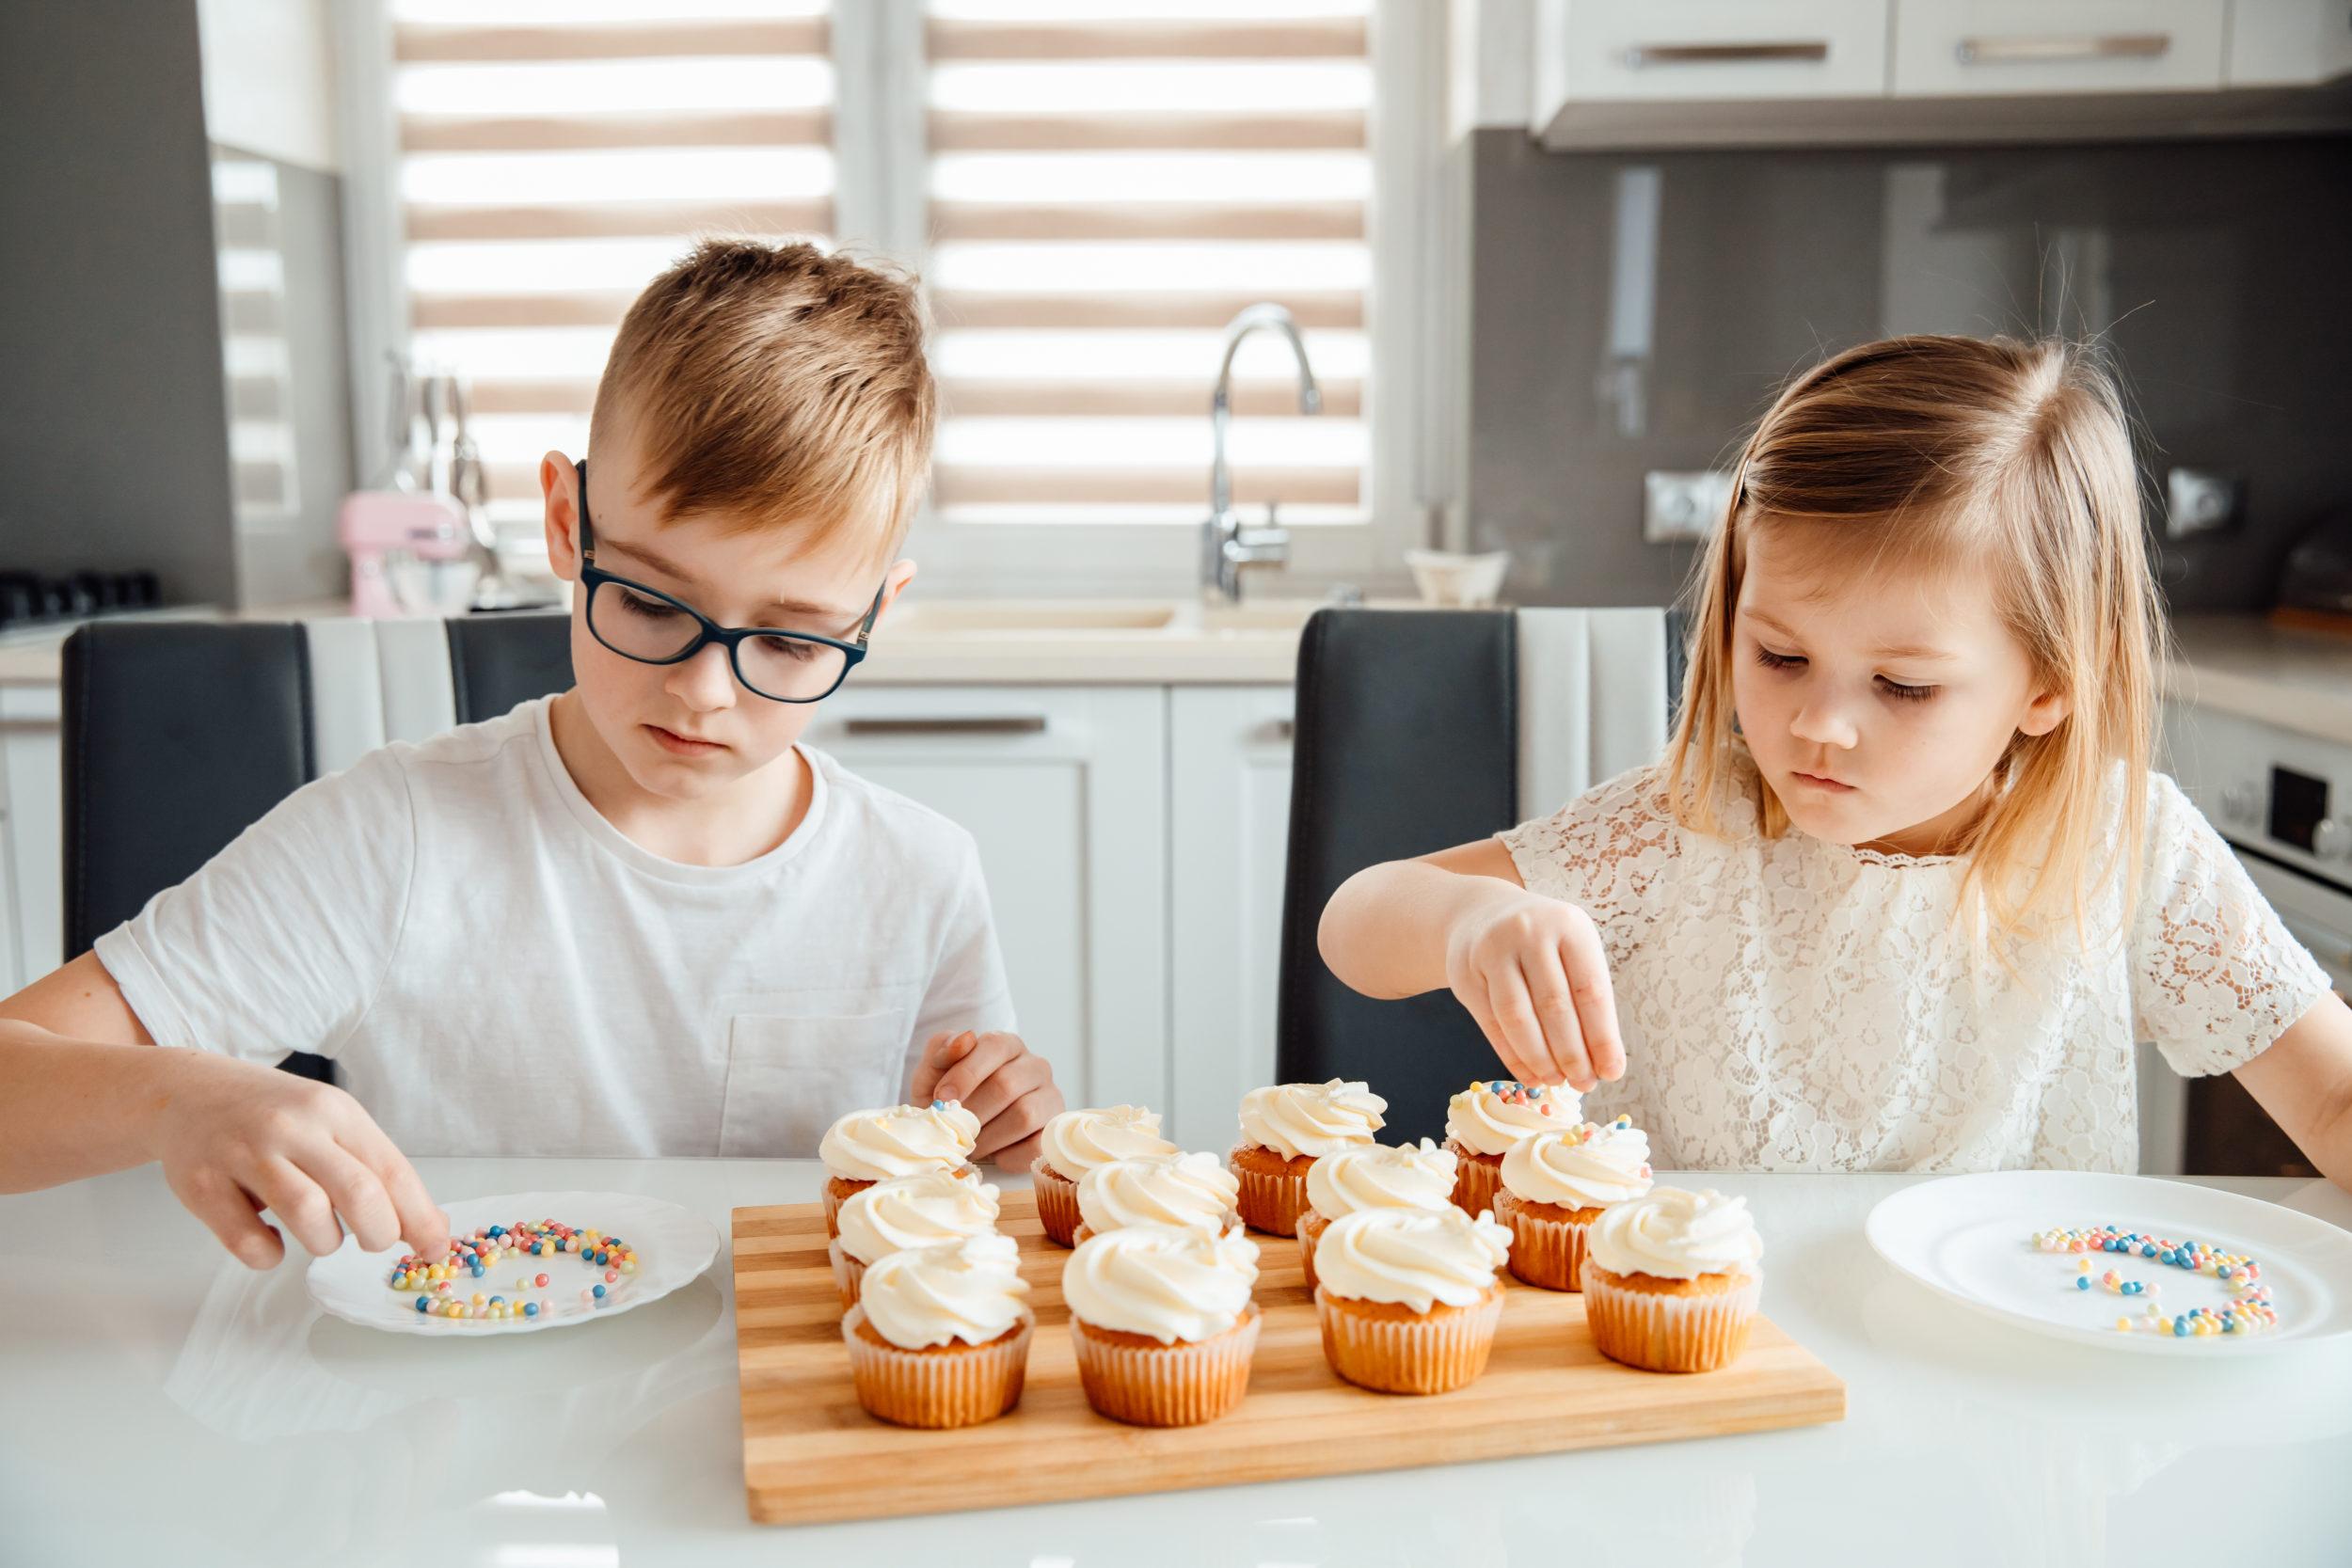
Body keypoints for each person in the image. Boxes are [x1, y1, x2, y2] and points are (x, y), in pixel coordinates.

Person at [0, 239, 1065, 1264]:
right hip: (463, 1420)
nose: (702, 690)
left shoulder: (919, 875)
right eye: (649, 600)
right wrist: (172, 1093)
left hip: (789, 1419)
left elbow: (959, 1211)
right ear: (568, 521)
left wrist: (1009, 1137)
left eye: (789, 639)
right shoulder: (398, 838)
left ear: (875, 612)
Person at [1319, 334, 2352, 1181]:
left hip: (1999, 1385)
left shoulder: (2128, 850)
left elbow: (2331, 1094)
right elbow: (1356, 922)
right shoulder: (1681, 829)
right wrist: (1471, 919)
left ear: (2049, 682)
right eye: (1779, 655)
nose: (1819, 723)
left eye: (1901, 684)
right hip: (1706, 1355)